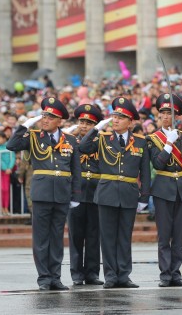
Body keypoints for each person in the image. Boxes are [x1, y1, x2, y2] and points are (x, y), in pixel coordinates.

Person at [6, 97, 82, 291]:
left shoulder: (70, 140)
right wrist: (25, 125)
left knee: (57, 238)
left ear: (60, 120)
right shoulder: (33, 137)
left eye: (50, 117)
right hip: (41, 193)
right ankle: (44, 278)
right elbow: (11, 145)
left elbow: (76, 170)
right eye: (44, 116)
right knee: (41, 238)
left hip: (62, 194)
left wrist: (75, 195)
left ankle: (55, 277)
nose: (45, 120)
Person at [80, 98, 151, 288]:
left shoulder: (140, 142)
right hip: (107, 193)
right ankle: (111, 275)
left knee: (124, 237)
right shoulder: (102, 138)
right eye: (114, 116)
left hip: (128, 193)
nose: (116, 120)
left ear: (131, 121)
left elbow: (145, 172)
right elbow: (83, 147)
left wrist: (144, 196)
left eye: (121, 117)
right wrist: (95, 129)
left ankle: (124, 275)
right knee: (108, 237)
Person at [147, 93, 182, 287]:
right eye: (163, 113)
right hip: (162, 191)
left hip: (181, 190)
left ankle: (176, 273)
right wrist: (168, 144)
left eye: (170, 113)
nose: (166, 116)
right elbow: (158, 165)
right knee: (164, 236)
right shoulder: (153, 139)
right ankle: (165, 274)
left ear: (177, 117)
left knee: (178, 235)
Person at [67, 104, 105, 286]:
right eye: (81, 121)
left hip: (96, 192)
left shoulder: (102, 142)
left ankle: (92, 273)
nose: (83, 126)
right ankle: (76, 273)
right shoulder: (70, 141)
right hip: (76, 193)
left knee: (93, 235)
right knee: (75, 236)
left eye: (89, 123)